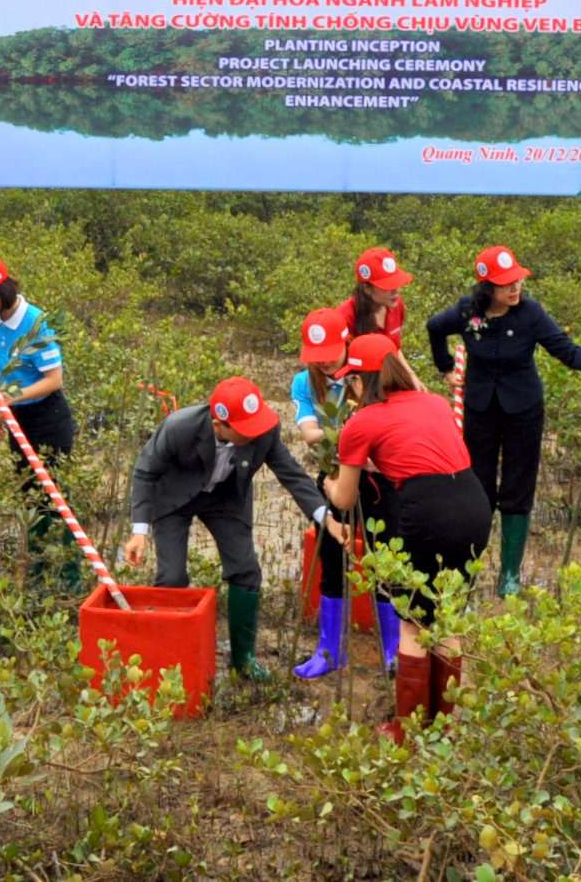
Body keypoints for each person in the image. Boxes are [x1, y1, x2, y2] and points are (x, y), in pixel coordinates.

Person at [425, 245, 581, 596]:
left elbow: (566, 349)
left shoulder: (530, 313)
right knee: (478, 488)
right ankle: (470, 568)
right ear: (486, 286)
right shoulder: (468, 311)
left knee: (518, 486)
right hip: (480, 409)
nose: (515, 289)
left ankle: (509, 574)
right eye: (506, 284)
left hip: (523, 409)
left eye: (518, 281)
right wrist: (445, 368)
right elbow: (434, 327)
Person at [325, 334, 491, 739]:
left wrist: (329, 486)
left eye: (353, 381)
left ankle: (409, 731)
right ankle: (443, 727)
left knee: (414, 624)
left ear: (363, 381)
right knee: (446, 615)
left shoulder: (360, 422)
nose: (351, 389)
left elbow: (345, 499)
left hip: (426, 513)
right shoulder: (434, 402)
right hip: (474, 504)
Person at [122, 376, 341, 680]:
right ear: (218, 424)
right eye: (244, 429)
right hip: (175, 499)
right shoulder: (179, 427)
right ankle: (170, 659)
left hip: (227, 499)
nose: (254, 434)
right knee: (172, 577)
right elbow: (145, 473)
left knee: (246, 570)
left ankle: (243, 660)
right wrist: (139, 532)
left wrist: (325, 517)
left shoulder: (264, 431)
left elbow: (292, 474)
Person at [288, 305, 399, 679]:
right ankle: (330, 651)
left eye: (329, 356)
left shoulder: (370, 374)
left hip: (376, 480)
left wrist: (344, 435)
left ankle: (392, 649)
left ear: (346, 344)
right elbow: (310, 435)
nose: (322, 365)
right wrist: (350, 435)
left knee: (384, 558)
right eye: (314, 358)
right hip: (333, 477)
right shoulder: (304, 384)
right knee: (332, 561)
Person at [0, 254, 79, 588]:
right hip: (18, 419)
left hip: (48, 420)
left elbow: (54, 380)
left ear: (3, 292)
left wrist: (12, 398)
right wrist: (2, 408)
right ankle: (38, 575)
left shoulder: (36, 324)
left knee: (54, 501)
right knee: (29, 500)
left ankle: (69, 580)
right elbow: (4, 370)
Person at [339, 247, 410, 340]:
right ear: (367, 288)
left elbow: (395, 348)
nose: (396, 291)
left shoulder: (396, 305)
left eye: (397, 284)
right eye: (388, 286)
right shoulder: (345, 318)